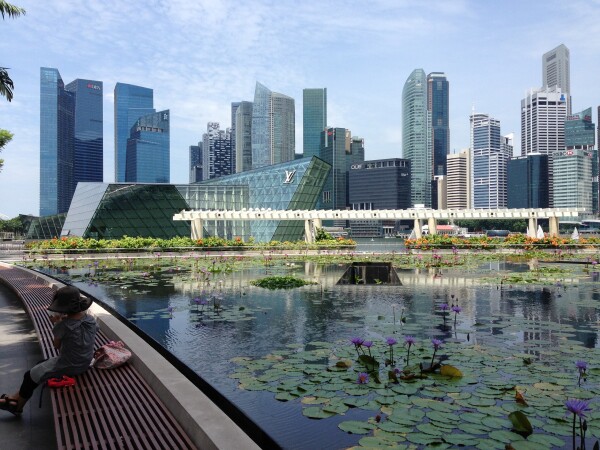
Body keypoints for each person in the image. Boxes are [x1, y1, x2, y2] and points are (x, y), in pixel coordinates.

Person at [0, 285, 98, 416]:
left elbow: (56, 345)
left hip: (70, 365)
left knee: (29, 376)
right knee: (39, 364)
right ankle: (15, 398)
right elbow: (85, 331)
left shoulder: (63, 325)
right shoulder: (90, 320)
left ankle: (18, 407)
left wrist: (56, 324)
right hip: (85, 361)